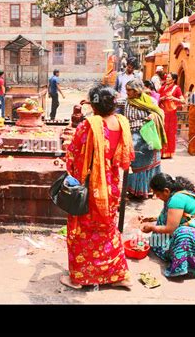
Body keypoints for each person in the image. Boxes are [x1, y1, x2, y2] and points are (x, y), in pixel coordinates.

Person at [61, 85, 135, 289]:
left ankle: (80, 278)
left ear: (93, 104)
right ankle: (117, 275)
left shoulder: (89, 125)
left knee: (82, 231)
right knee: (108, 230)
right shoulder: (122, 123)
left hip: (90, 187)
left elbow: (74, 156)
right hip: (110, 186)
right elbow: (126, 158)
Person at [141, 173, 195, 277]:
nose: (156, 197)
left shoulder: (176, 200)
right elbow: (172, 216)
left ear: (166, 191)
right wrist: (153, 218)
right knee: (163, 222)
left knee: (182, 233)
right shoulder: (177, 194)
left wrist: (151, 227)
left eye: (157, 194)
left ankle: (191, 266)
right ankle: (179, 251)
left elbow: (171, 229)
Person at [124, 79, 167, 199]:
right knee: (136, 164)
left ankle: (148, 189)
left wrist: (153, 116)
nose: (126, 92)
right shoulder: (126, 101)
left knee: (150, 164)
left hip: (148, 136)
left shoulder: (150, 100)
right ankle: (134, 190)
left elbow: (160, 113)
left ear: (137, 91)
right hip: (133, 137)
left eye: (129, 90)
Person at [158, 73, 185, 159]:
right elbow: (156, 98)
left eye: (169, 77)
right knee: (161, 131)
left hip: (171, 114)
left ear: (173, 80)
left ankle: (167, 153)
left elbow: (183, 100)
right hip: (162, 112)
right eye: (167, 77)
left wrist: (174, 98)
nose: (167, 78)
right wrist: (161, 99)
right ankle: (160, 152)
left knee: (169, 133)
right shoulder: (162, 88)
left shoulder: (176, 88)